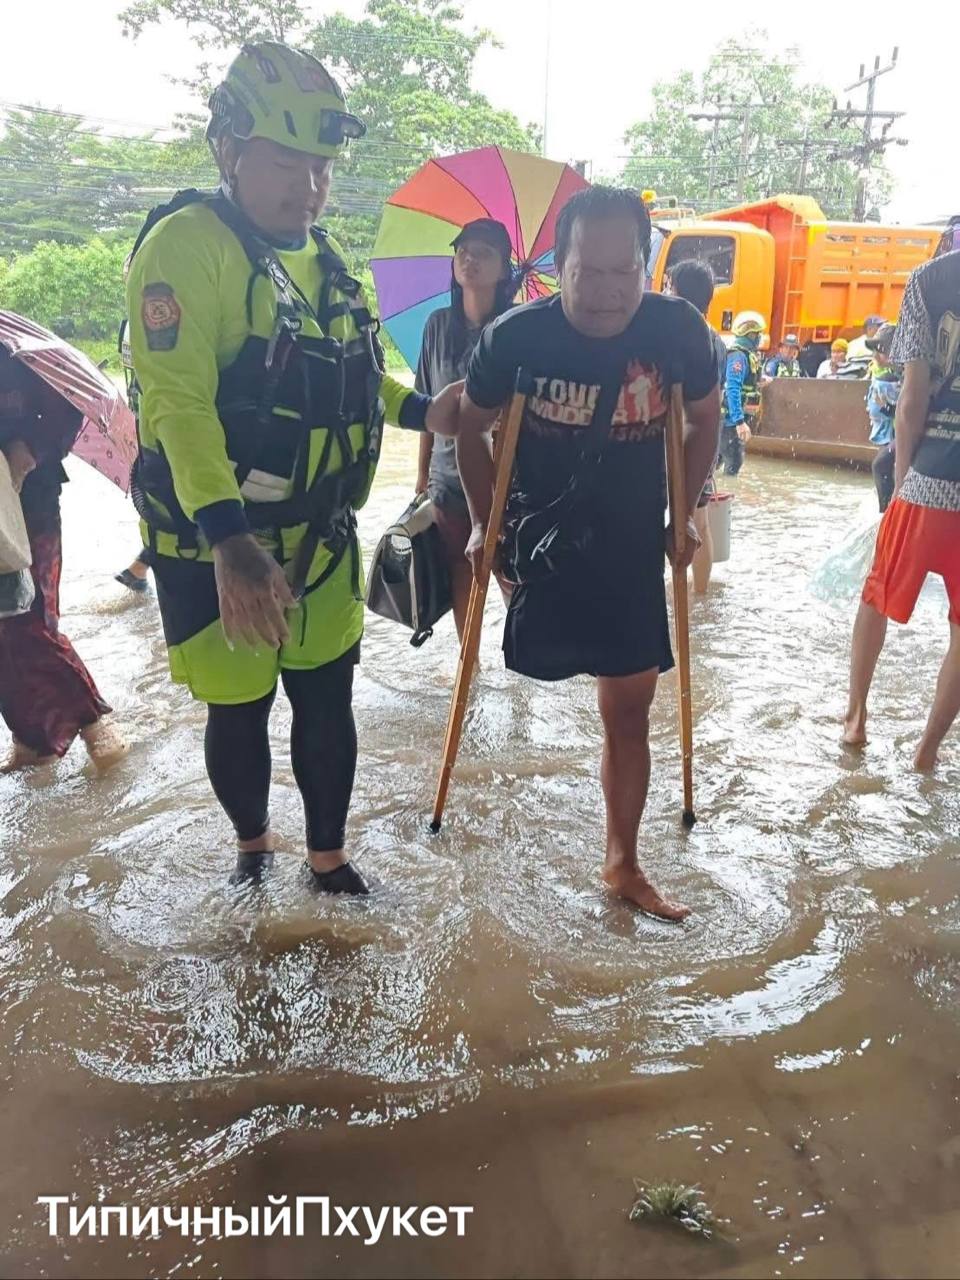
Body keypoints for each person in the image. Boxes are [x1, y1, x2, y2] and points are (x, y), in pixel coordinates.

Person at [125, 41, 461, 892]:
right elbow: (178, 403)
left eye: (320, 168)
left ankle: (328, 858)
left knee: (326, 702)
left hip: (321, 535)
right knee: (237, 709)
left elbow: (347, 372)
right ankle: (251, 849)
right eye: (285, 162)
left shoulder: (322, 260)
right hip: (220, 540)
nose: (307, 187)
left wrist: (425, 410)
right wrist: (229, 543)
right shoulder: (185, 248)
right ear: (230, 148)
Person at [455, 187, 721, 920]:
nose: (606, 292)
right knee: (528, 676)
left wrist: (687, 509)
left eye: (623, 272)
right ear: (557, 267)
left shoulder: (678, 334)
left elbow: (703, 419)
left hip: (633, 539)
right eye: (587, 272)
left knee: (628, 711)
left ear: (645, 266)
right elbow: (470, 428)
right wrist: (484, 525)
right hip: (539, 537)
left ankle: (622, 863)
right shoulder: (514, 338)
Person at [843, 246, 960, 770]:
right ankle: (927, 752)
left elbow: (912, 399)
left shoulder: (931, 280)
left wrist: (902, 482)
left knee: (877, 594)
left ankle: (856, 717)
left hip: (929, 480)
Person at [0, 350, 128, 772]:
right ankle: (32, 740)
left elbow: (67, 409)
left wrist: (27, 446)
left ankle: (95, 724)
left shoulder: (16, 354)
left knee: (31, 618)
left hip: (27, 502)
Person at [415, 218, 516, 639]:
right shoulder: (437, 326)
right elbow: (424, 405)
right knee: (462, 576)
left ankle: (523, 679)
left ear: (504, 270)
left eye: (483, 253)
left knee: (513, 579)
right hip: (447, 480)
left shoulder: (516, 329)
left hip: (509, 482)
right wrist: (421, 476)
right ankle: (467, 674)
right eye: (463, 252)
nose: (470, 260)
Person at [665, 259, 727, 594]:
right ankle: (700, 594)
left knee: (691, 520)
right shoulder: (716, 338)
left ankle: (692, 594)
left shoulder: (680, 337)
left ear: (675, 291)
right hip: (703, 442)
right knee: (697, 521)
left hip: (679, 441)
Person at [719, 311, 765, 475]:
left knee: (716, 464)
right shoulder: (738, 356)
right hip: (730, 422)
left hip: (730, 422)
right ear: (751, 335)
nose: (760, 337)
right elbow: (733, 388)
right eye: (758, 334)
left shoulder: (746, 356)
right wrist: (739, 422)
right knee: (733, 464)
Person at [864, 322, 900, 513]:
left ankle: (886, 513)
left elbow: (909, 412)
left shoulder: (905, 373)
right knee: (886, 467)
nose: (876, 356)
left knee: (881, 465)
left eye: (881, 350)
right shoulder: (887, 372)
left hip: (907, 432)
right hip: (893, 431)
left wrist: (885, 406)